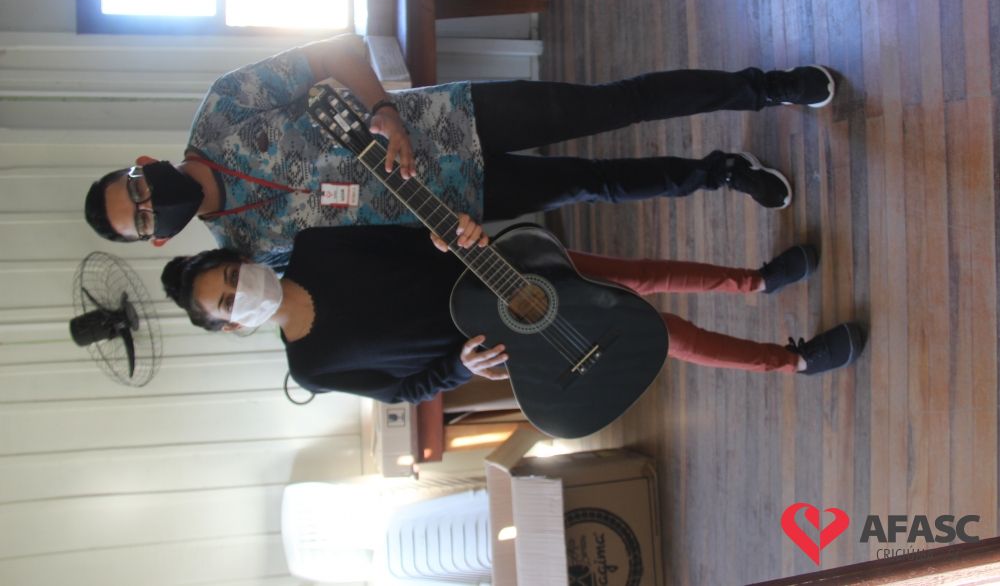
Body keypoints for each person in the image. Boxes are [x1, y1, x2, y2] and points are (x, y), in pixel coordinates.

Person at [85, 34, 836, 268]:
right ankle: (723, 174)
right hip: (455, 208)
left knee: (615, 104)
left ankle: (765, 88)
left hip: (454, 120)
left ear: (144, 163)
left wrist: (384, 111)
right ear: (158, 238)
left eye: (138, 188)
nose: (152, 203)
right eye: (142, 219)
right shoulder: (246, 252)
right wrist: (433, 246)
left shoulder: (223, 109)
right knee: (597, 185)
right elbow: (357, 267)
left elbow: (336, 51)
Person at [160, 218, 865, 405]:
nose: (240, 290)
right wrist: (459, 368)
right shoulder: (313, 368)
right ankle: (793, 361)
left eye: (231, 275)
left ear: (241, 258)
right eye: (227, 302)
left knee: (639, 274)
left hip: (504, 272)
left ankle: (756, 281)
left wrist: (449, 236)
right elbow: (405, 389)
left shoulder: (317, 247)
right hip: (515, 338)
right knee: (659, 335)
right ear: (232, 326)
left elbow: (407, 238)